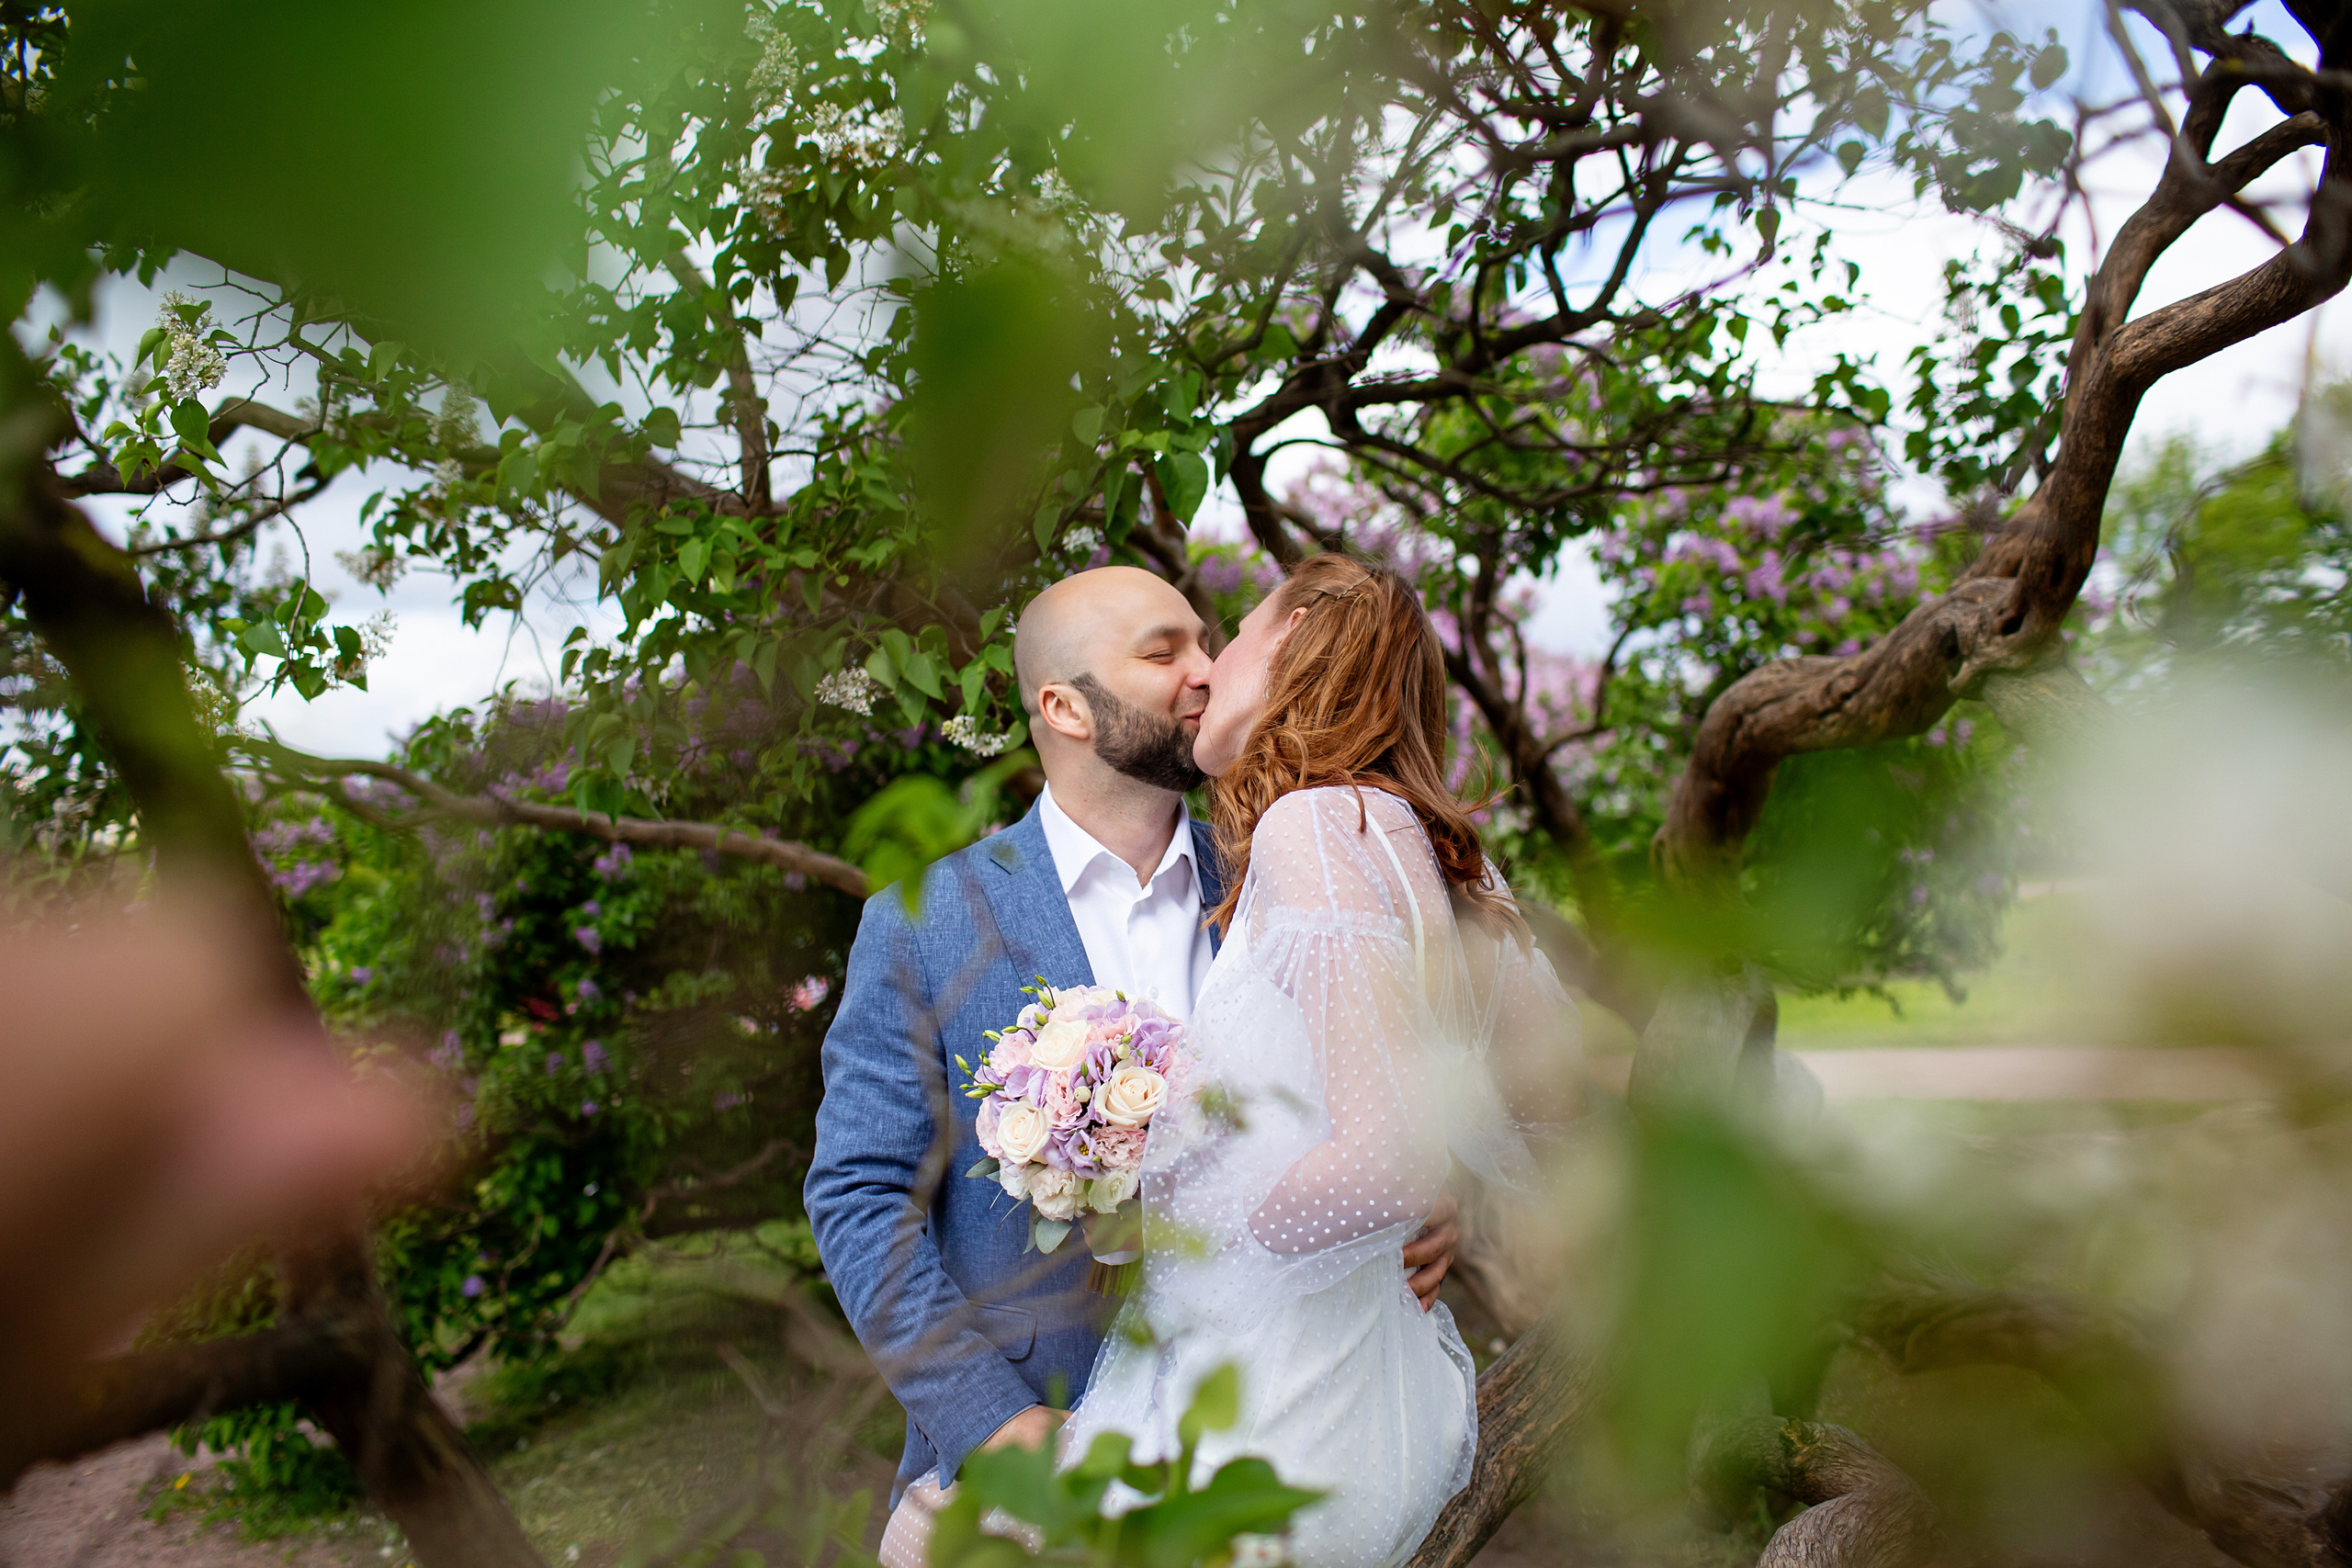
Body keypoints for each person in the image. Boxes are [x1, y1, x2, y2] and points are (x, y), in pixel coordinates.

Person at [803, 566, 1460, 1564]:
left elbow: (1382, 1106)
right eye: (1163, 653)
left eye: (1207, 643)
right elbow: (858, 1198)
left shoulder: (1291, 874)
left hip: (1285, 1442)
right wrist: (989, 1421)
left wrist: (1419, 1206)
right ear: (1062, 707)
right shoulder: (923, 926)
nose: (1205, 670)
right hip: (1039, 1449)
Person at [1059, 553, 1578, 1567]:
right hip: (1370, 1406)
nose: (1208, 670)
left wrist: (1171, 1205)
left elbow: (1382, 1163)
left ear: (1295, 643)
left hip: (1277, 1427)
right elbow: (1560, 1113)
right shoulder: (1443, 853)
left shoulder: (1314, 823)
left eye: (1238, 632)